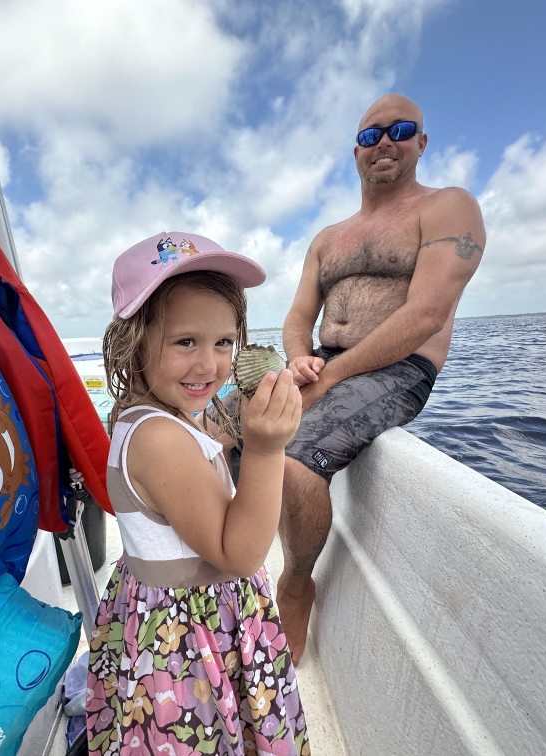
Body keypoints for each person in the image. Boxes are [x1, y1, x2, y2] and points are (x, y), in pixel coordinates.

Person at [277, 93, 486, 664]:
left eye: (400, 130)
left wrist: (331, 376)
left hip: (400, 369)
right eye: (371, 135)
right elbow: (298, 317)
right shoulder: (328, 237)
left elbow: (426, 314)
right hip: (324, 359)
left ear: (422, 142)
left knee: (295, 466)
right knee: (219, 429)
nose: (384, 142)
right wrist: (300, 360)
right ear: (356, 152)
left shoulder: (447, 207)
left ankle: (297, 582)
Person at [87, 232, 310, 756]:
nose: (210, 366)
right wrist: (265, 448)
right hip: (192, 639)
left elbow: (208, 440)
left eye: (224, 343)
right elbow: (240, 553)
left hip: (174, 612)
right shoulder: (161, 439)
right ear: (133, 341)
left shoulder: (152, 415)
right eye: (185, 342)